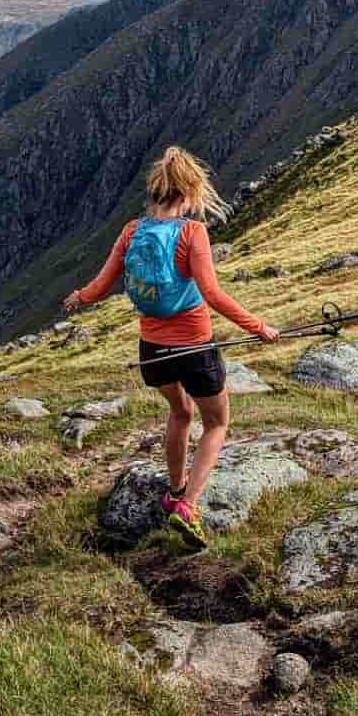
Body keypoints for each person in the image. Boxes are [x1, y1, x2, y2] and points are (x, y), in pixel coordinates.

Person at [64, 146, 278, 549]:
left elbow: (101, 284)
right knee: (216, 423)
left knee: (180, 412)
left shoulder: (132, 231)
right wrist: (259, 327)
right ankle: (188, 507)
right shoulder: (192, 233)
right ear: (190, 192)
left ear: (157, 190)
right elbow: (211, 294)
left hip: (152, 350)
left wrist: (78, 297)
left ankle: (175, 490)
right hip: (195, 347)